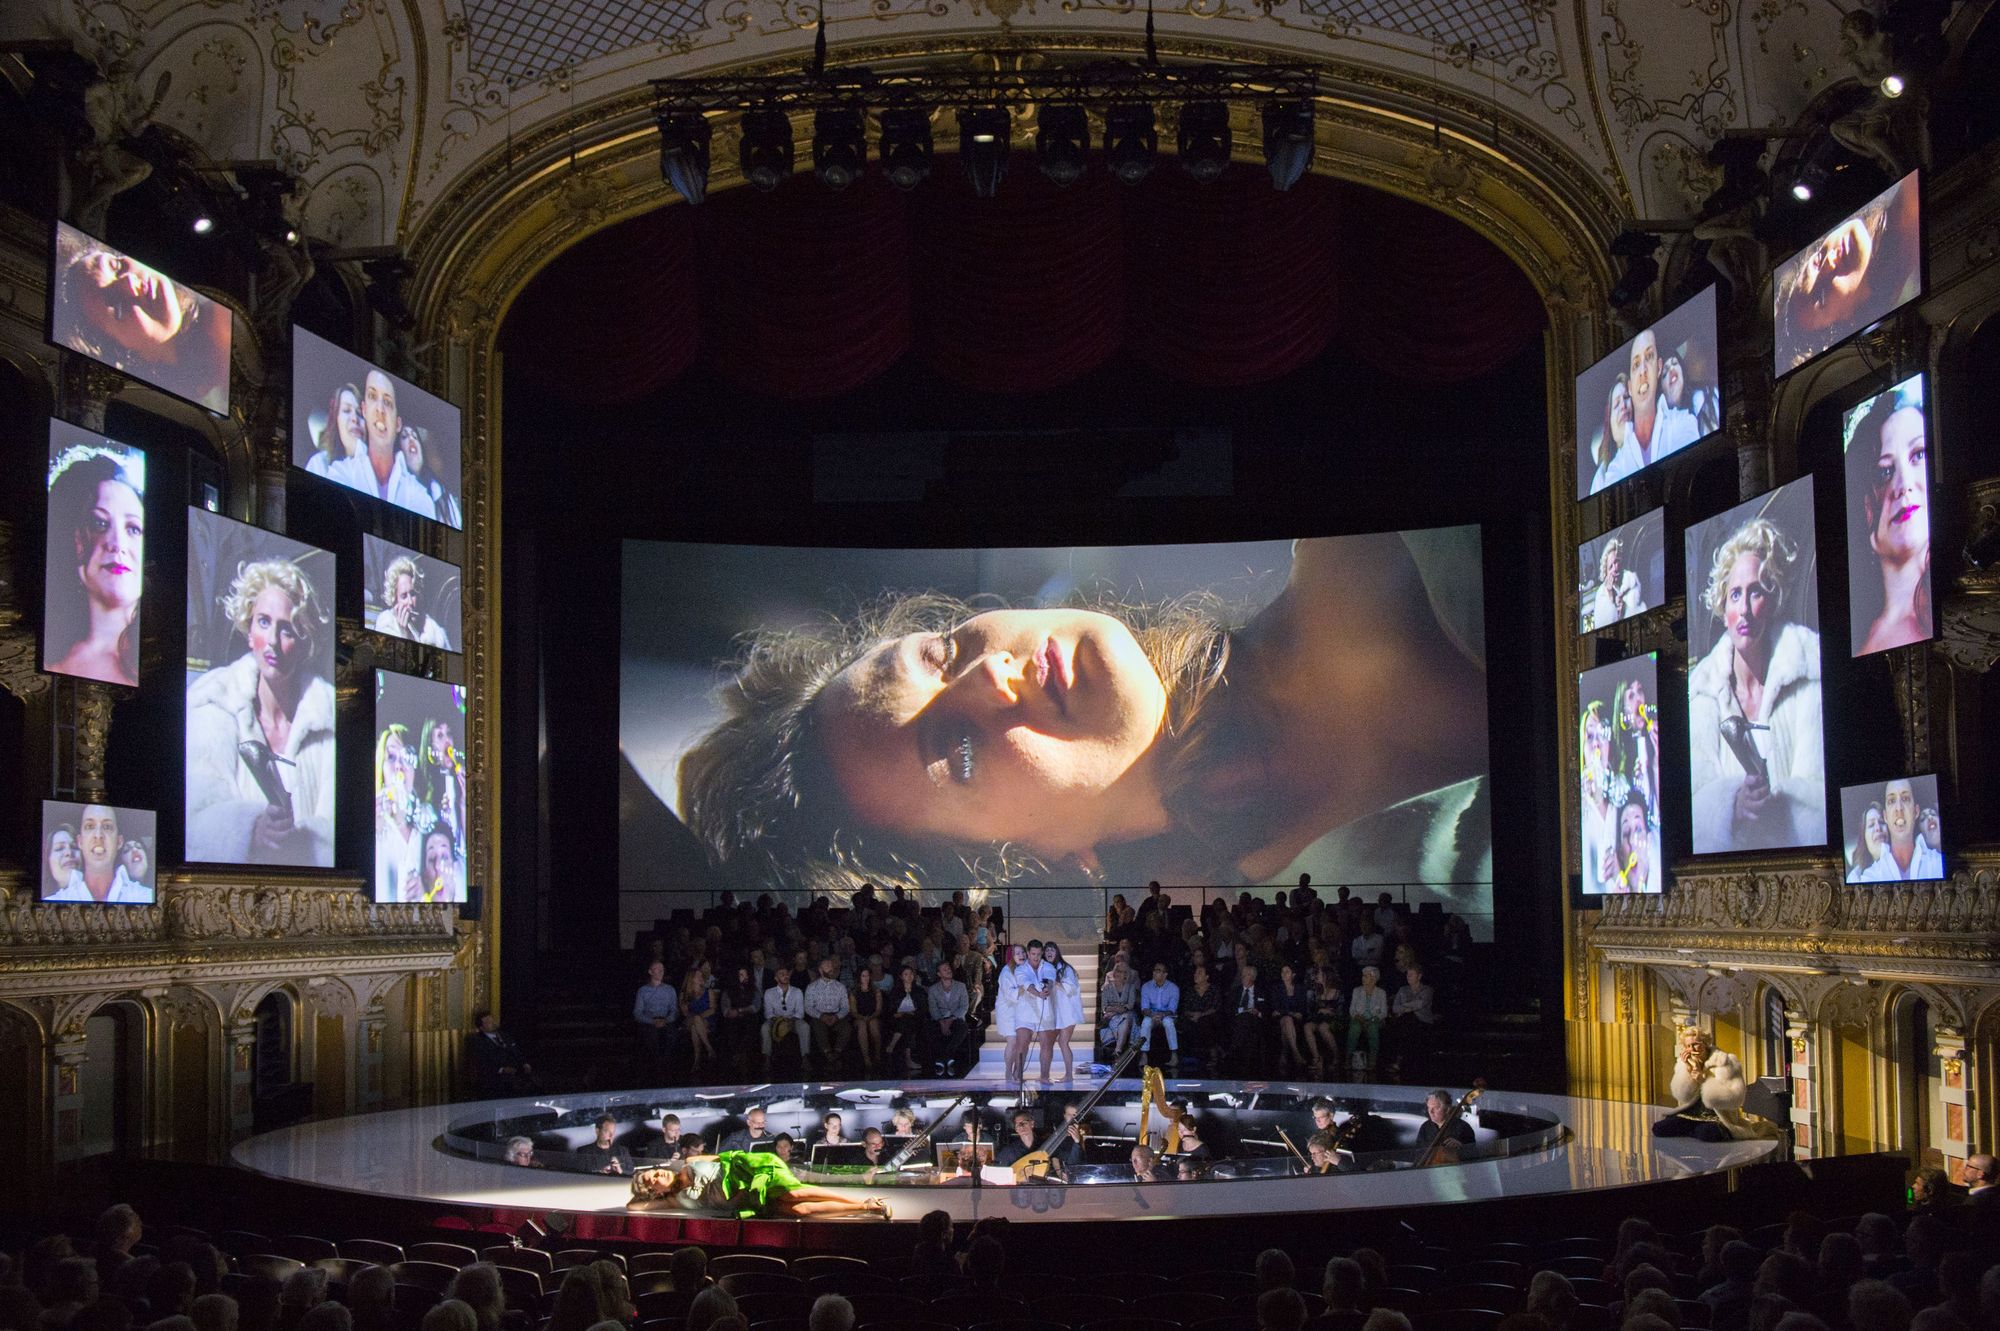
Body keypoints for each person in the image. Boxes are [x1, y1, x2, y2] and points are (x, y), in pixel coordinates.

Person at [676, 533, 1491, 922]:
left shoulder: (1372, 556)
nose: (990, 675)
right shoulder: (1289, 929)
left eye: (940, 652)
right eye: (956, 752)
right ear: (1024, 862)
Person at [1688, 515, 1825, 853]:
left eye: (1756, 593)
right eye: (1735, 595)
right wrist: (1732, 805)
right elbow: (1693, 807)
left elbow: (1821, 799)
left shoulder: (1810, 675)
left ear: (1773, 600)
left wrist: (1775, 808)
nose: (1745, 610)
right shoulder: (1702, 694)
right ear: (1723, 607)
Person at [186, 557, 336, 866]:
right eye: (263, 622)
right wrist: (250, 829)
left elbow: (343, 834)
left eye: (287, 630)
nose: (272, 642)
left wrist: (299, 844)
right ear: (248, 626)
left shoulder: (331, 717)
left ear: (304, 638)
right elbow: (194, 820)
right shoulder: (214, 705)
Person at [53, 226, 231, 413]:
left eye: (117, 266)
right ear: (122, 351)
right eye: (117, 305)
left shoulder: (217, 313)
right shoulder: (194, 400)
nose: (130, 282)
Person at [1775, 175, 1922, 373]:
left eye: (1818, 260)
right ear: (1849, 320)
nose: (1828, 262)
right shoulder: (1911, 242)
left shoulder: (1896, 197)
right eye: (1822, 294)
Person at [45, 445, 144, 687]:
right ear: (77, 540)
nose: (117, 544)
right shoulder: (52, 663)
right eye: (100, 523)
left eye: (133, 528)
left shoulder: (159, 661)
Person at [1847, 385, 1931, 655]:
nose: (1903, 485)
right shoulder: (1860, 638)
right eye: (1885, 472)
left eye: (1918, 455)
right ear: (1866, 505)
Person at [628, 1152, 889, 1218]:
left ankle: (861, 1201)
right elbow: (633, 1207)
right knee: (800, 1211)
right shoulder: (675, 1200)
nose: (658, 1174)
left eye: (655, 1171)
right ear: (654, 1191)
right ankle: (866, 1208)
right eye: (653, 1180)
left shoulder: (690, 1161)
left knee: (795, 1192)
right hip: (750, 1202)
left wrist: (756, 1174)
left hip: (754, 1175)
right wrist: (643, 1190)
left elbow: (728, 1158)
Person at [1597, 328, 1705, 484]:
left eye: (1649, 357)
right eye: (1635, 365)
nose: (1643, 371)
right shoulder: (1618, 464)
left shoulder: (1682, 421)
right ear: (1630, 387)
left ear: (1659, 368)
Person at [325, 369, 438, 518]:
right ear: (364, 410)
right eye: (372, 396)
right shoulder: (340, 473)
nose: (380, 409)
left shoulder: (419, 495)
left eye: (388, 402)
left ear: (398, 424)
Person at [1651, 1028, 1779, 1141]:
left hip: (1718, 1116)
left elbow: (1736, 1098)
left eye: (1696, 1045)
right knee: (1659, 1129)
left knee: (1707, 1134)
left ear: (1706, 1044)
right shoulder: (1684, 1063)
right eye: (1688, 1046)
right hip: (1691, 1114)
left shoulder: (1725, 1061)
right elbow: (1681, 1095)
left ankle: (1701, 1131)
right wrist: (1688, 1071)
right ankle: (1692, 1130)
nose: (1692, 1049)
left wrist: (1704, 1080)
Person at [42, 804, 151, 904]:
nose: (98, 835)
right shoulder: (53, 903)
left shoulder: (146, 897)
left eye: (107, 827)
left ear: (119, 842)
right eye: (89, 826)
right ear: (80, 842)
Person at [373, 555, 453, 649]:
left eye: (413, 593)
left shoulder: (434, 629)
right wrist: (404, 633)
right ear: (394, 600)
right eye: (403, 596)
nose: (410, 602)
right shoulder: (385, 622)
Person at [464, 1011, 533, 1097]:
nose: (492, 1023)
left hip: (516, 1072)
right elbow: (481, 1061)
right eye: (488, 1022)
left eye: (492, 1020)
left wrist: (524, 1063)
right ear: (481, 1027)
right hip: (494, 1077)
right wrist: (502, 1069)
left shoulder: (505, 1036)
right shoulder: (477, 1041)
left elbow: (516, 1051)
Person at [803, 958, 852, 1074]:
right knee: (817, 1027)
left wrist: (837, 1016)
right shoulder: (812, 987)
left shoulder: (840, 987)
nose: (831, 969)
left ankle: (836, 1053)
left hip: (836, 1015)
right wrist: (821, 1016)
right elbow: (808, 1007)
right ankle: (829, 1055)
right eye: (828, 967)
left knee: (847, 1028)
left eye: (832, 966)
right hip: (820, 1016)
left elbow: (845, 1007)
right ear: (820, 970)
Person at [305, 384, 364, 478]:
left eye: (359, 413)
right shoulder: (319, 464)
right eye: (347, 410)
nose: (355, 418)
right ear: (336, 420)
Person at [1044, 941, 1083, 1080]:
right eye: (1047, 950)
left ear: (1057, 952)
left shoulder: (1066, 969)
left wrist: (1056, 982)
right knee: (1048, 1043)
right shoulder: (1044, 968)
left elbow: (1071, 988)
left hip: (1068, 1012)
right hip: (1054, 1013)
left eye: (1052, 950)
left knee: (1063, 1042)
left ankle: (1068, 1075)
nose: (1049, 952)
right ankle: (1045, 1074)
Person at [634, 961, 679, 1075]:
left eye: (662, 969)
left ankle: (665, 1065)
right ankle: (656, 1066)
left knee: (671, 1036)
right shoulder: (643, 990)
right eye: (657, 969)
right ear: (650, 972)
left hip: (665, 1020)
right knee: (651, 1037)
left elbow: (674, 1010)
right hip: (649, 1021)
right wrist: (651, 1021)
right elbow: (638, 1012)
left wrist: (666, 1020)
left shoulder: (670, 989)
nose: (660, 972)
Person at [926, 962, 971, 1077]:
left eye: (949, 968)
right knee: (930, 1028)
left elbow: (964, 1006)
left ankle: (945, 1056)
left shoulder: (961, 986)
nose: (948, 970)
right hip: (939, 1019)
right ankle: (946, 1057)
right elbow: (933, 1009)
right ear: (939, 974)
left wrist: (951, 1019)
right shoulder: (933, 989)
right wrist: (942, 1022)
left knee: (962, 1027)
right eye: (944, 969)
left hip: (956, 1018)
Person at [1590, 536, 1646, 628]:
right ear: (1606, 570)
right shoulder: (1602, 593)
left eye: (1617, 562)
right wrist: (1610, 596)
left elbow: (1641, 612)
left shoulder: (1631, 580)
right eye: (1610, 566)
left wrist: (1624, 609)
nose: (1615, 569)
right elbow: (1603, 626)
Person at [761, 967, 808, 1069]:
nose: (785, 976)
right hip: (776, 1020)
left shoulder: (797, 991)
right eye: (782, 974)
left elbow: (800, 1012)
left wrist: (791, 1021)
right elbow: (768, 1013)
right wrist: (779, 1022)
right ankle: (767, 1058)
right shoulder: (769, 992)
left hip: (793, 1020)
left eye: (786, 974)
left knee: (804, 1026)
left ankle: (805, 1058)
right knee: (765, 1028)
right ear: (776, 978)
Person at [1137, 961, 1180, 1070]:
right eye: (1155, 970)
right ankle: (1144, 1055)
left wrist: (1162, 1015)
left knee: (1168, 1023)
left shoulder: (1173, 988)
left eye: (1158, 971)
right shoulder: (1146, 986)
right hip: (1151, 1014)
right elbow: (1144, 1008)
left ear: (1165, 974)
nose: (1155, 973)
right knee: (1145, 1023)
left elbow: (1172, 1009)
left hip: (1166, 1015)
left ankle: (1174, 1055)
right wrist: (1153, 1015)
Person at [1347, 966, 1388, 1073]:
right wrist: (1359, 1018)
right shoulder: (1357, 990)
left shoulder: (1381, 993)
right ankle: (1348, 1058)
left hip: (1374, 1019)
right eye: (1363, 976)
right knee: (1354, 1028)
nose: (1363, 978)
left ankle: (1372, 1059)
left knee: (1373, 1028)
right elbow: (1352, 1010)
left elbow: (1384, 1012)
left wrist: (1373, 1020)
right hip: (1359, 1018)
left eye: (1366, 976)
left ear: (1374, 979)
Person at [885, 965, 924, 1077]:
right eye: (906, 974)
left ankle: (892, 1044)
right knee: (906, 1021)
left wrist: (912, 1013)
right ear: (901, 977)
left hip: (915, 1019)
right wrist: (898, 1013)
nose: (909, 977)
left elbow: (923, 1008)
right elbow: (890, 1009)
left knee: (908, 1021)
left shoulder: (919, 991)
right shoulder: (895, 991)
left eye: (911, 974)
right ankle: (908, 1059)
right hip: (897, 1019)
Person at [1415, 1088, 1474, 1159]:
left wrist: (1460, 1147)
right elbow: (1417, 1154)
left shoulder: (1463, 1127)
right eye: (1429, 1108)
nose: (1430, 1112)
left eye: (1435, 1108)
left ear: (1447, 1109)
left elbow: (1473, 1155)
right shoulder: (1425, 1127)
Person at [1100, 958, 1138, 1062]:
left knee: (1126, 1017)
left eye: (1124, 972)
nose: (1120, 974)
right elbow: (1104, 1007)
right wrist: (1119, 1008)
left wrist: (1114, 1009)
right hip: (1112, 1016)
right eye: (1118, 971)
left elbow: (1129, 1006)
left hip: (1127, 1015)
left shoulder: (1131, 987)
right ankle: (1118, 1051)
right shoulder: (1107, 988)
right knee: (1123, 1021)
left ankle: (1117, 1050)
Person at [682, 967, 715, 1079]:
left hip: (706, 1020)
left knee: (695, 1027)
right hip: (690, 1020)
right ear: (691, 979)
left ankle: (697, 1060)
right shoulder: (685, 994)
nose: (701, 978)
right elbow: (685, 1013)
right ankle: (709, 1048)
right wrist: (696, 1018)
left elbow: (712, 1009)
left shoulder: (708, 992)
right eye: (698, 976)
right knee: (694, 1021)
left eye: (702, 976)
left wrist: (699, 1018)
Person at [851, 964, 883, 1074]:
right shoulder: (854, 992)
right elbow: (854, 1011)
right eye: (863, 976)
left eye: (868, 976)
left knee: (873, 1024)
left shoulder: (876, 991)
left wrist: (871, 1017)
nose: (866, 978)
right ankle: (866, 1058)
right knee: (862, 1026)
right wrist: (863, 1018)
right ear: (859, 977)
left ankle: (877, 1054)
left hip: (873, 1016)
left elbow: (878, 1009)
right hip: (859, 1018)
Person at [1849, 803, 1888, 881]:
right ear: (1864, 838)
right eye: (1871, 825)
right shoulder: (1856, 877)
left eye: (1881, 822)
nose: (1878, 828)